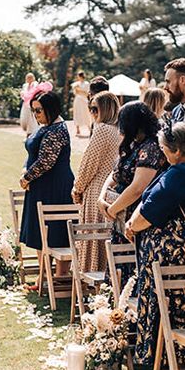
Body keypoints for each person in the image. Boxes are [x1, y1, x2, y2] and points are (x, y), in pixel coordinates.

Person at [123, 123, 185, 364]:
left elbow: (151, 210)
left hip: (171, 253)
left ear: (176, 151)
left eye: (164, 148)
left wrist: (133, 225)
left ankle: (162, 358)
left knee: (164, 302)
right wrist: (133, 220)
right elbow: (150, 197)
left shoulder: (180, 173)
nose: (161, 152)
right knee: (181, 302)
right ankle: (179, 357)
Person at [100, 102, 167, 263]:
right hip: (120, 213)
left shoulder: (152, 147)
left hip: (135, 215)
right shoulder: (133, 144)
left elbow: (138, 187)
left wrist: (113, 209)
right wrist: (102, 197)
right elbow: (115, 173)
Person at [18, 90, 74, 277]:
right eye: (34, 111)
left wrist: (26, 178)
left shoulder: (57, 130)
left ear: (51, 109)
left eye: (39, 110)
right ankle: (44, 275)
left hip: (55, 186)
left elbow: (46, 161)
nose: (36, 115)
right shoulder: (45, 126)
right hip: (40, 185)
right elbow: (33, 155)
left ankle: (59, 275)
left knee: (55, 230)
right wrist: (25, 170)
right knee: (39, 230)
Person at [71, 92, 120, 273]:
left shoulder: (102, 129)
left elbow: (88, 164)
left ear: (105, 110)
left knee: (93, 241)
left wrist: (77, 188)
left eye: (94, 109)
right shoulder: (119, 130)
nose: (92, 113)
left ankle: (94, 286)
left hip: (96, 190)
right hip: (113, 193)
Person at [71, 71, 91, 138]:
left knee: (86, 113)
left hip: (84, 100)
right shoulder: (76, 84)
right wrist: (76, 89)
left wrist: (80, 90)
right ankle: (77, 129)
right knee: (77, 113)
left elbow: (87, 93)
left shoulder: (86, 83)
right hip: (78, 100)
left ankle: (89, 128)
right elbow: (75, 93)